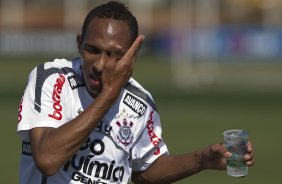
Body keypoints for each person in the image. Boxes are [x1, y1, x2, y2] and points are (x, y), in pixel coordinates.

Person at [17, 1, 254, 184]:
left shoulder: (140, 103)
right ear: (79, 43)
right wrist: (108, 96)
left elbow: (144, 171)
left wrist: (201, 160)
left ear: (131, 56)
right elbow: (47, 159)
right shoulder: (52, 78)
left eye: (115, 55)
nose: (100, 65)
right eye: (92, 50)